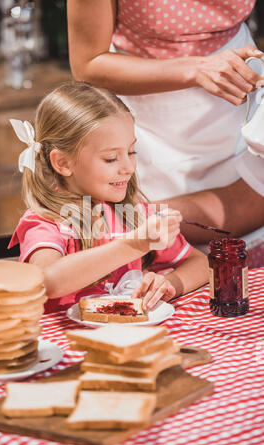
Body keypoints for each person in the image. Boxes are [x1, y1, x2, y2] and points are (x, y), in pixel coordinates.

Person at [67, 0, 264, 263]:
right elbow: (88, 64)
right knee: (147, 242)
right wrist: (196, 68)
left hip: (238, 101)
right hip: (144, 116)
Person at [8, 82, 208, 314]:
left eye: (131, 152)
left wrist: (169, 284)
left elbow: (201, 263)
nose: (128, 167)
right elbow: (48, 281)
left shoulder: (134, 215)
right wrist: (134, 244)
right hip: (71, 346)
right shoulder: (46, 222)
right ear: (63, 163)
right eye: (111, 158)